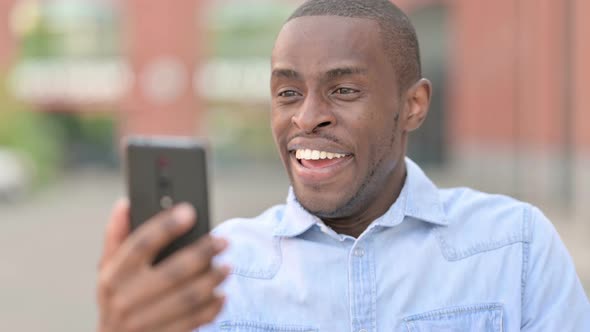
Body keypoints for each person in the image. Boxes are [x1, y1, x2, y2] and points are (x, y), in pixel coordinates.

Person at [96, 0, 590, 331]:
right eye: (288, 92)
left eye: (344, 90)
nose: (307, 117)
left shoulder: (515, 248)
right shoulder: (216, 273)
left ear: (413, 105)